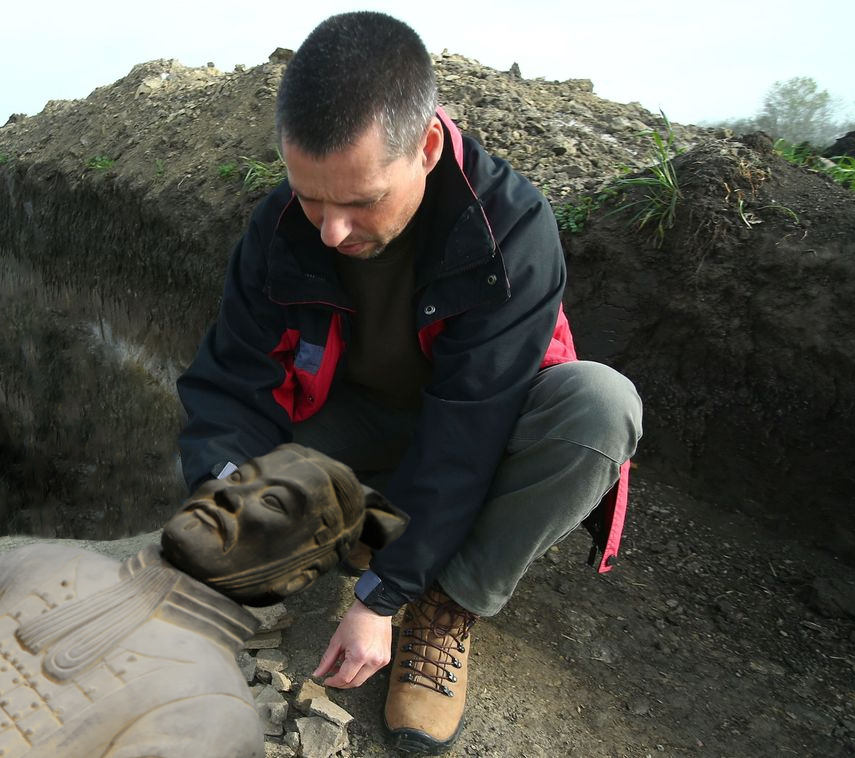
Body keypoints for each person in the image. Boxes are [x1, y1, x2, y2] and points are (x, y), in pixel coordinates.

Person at [176, 11, 643, 754]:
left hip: (475, 429)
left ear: (425, 147)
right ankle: (365, 532)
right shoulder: (278, 227)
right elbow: (231, 383)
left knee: (600, 407)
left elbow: (469, 427)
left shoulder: (509, 226)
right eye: (311, 197)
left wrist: (382, 598)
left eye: (360, 201)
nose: (330, 230)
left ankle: (447, 604)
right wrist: (230, 497)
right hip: (355, 423)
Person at [0, 444, 408, 758]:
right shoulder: (42, 564)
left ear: (296, 575)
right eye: (241, 476)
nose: (229, 493)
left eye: (272, 503)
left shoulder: (213, 711)